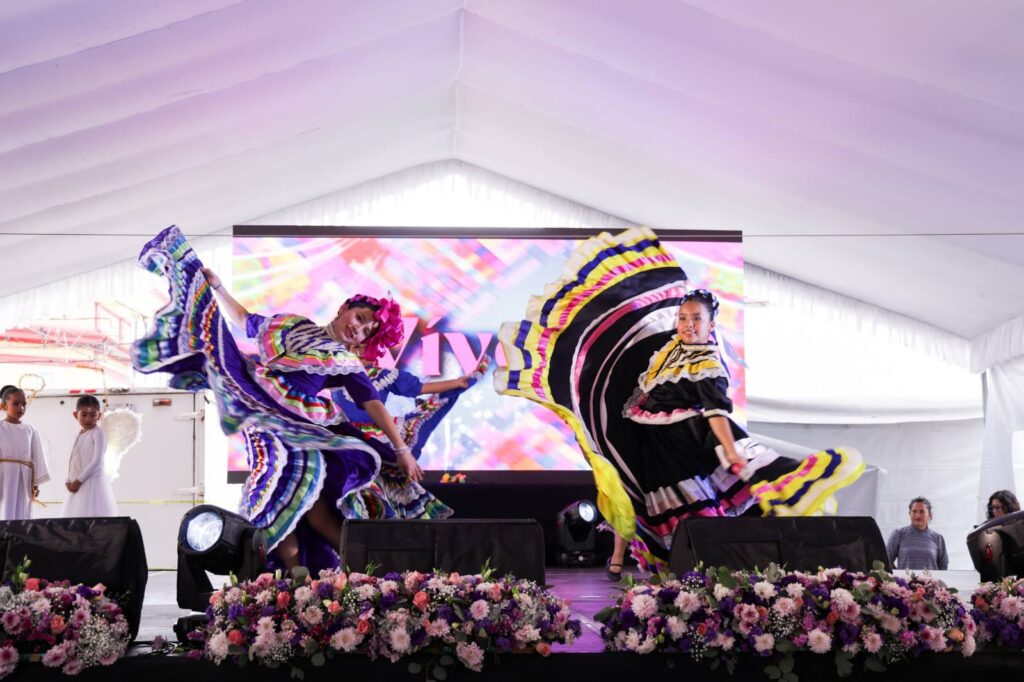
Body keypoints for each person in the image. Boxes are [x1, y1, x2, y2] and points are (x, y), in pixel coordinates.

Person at [496, 227, 864, 574]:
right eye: (683, 317)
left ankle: (715, 578)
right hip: (655, 448)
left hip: (685, 451)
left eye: (696, 319)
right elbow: (645, 382)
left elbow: (716, 412)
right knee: (649, 506)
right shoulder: (671, 349)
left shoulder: (708, 363)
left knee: (693, 518)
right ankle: (674, 575)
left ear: (710, 324)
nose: (687, 324)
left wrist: (730, 451)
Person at [132, 225, 418, 572]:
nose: (358, 328)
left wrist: (401, 449)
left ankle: (364, 576)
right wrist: (218, 287)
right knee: (285, 503)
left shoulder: (345, 361)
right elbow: (244, 320)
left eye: (366, 331)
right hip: (261, 414)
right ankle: (299, 582)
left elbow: (373, 404)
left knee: (304, 505)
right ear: (345, 308)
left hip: (298, 429)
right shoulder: (292, 325)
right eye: (359, 318)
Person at [333, 347, 489, 518]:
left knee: (388, 487)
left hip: (378, 440)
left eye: (366, 346)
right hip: (348, 439)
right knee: (352, 487)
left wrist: (458, 383)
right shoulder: (334, 374)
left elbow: (419, 388)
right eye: (356, 346)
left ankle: (390, 522)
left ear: (376, 351)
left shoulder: (381, 375)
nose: (360, 351)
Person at [63, 395, 118, 517]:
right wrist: (68, 480)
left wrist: (78, 480)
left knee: (91, 517)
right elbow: (73, 459)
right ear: (75, 415)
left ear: (99, 415)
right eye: (83, 415)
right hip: (78, 484)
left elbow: (97, 461)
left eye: (93, 415)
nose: (88, 419)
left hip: (92, 484)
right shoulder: (78, 434)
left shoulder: (98, 433)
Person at [0, 386, 50, 520]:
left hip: (24, 477)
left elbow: (37, 456)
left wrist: (35, 483)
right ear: (4, 406)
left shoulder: (30, 429)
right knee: (4, 507)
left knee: (21, 509)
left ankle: (19, 533)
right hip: (4, 475)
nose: (21, 408)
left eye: (24, 404)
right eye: (15, 404)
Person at [886, 497, 948, 570]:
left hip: (930, 578)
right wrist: (897, 575)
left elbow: (943, 566)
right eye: (914, 511)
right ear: (909, 514)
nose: (917, 515)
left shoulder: (938, 538)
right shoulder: (898, 534)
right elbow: (886, 560)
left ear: (930, 515)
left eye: (922, 511)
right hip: (905, 578)